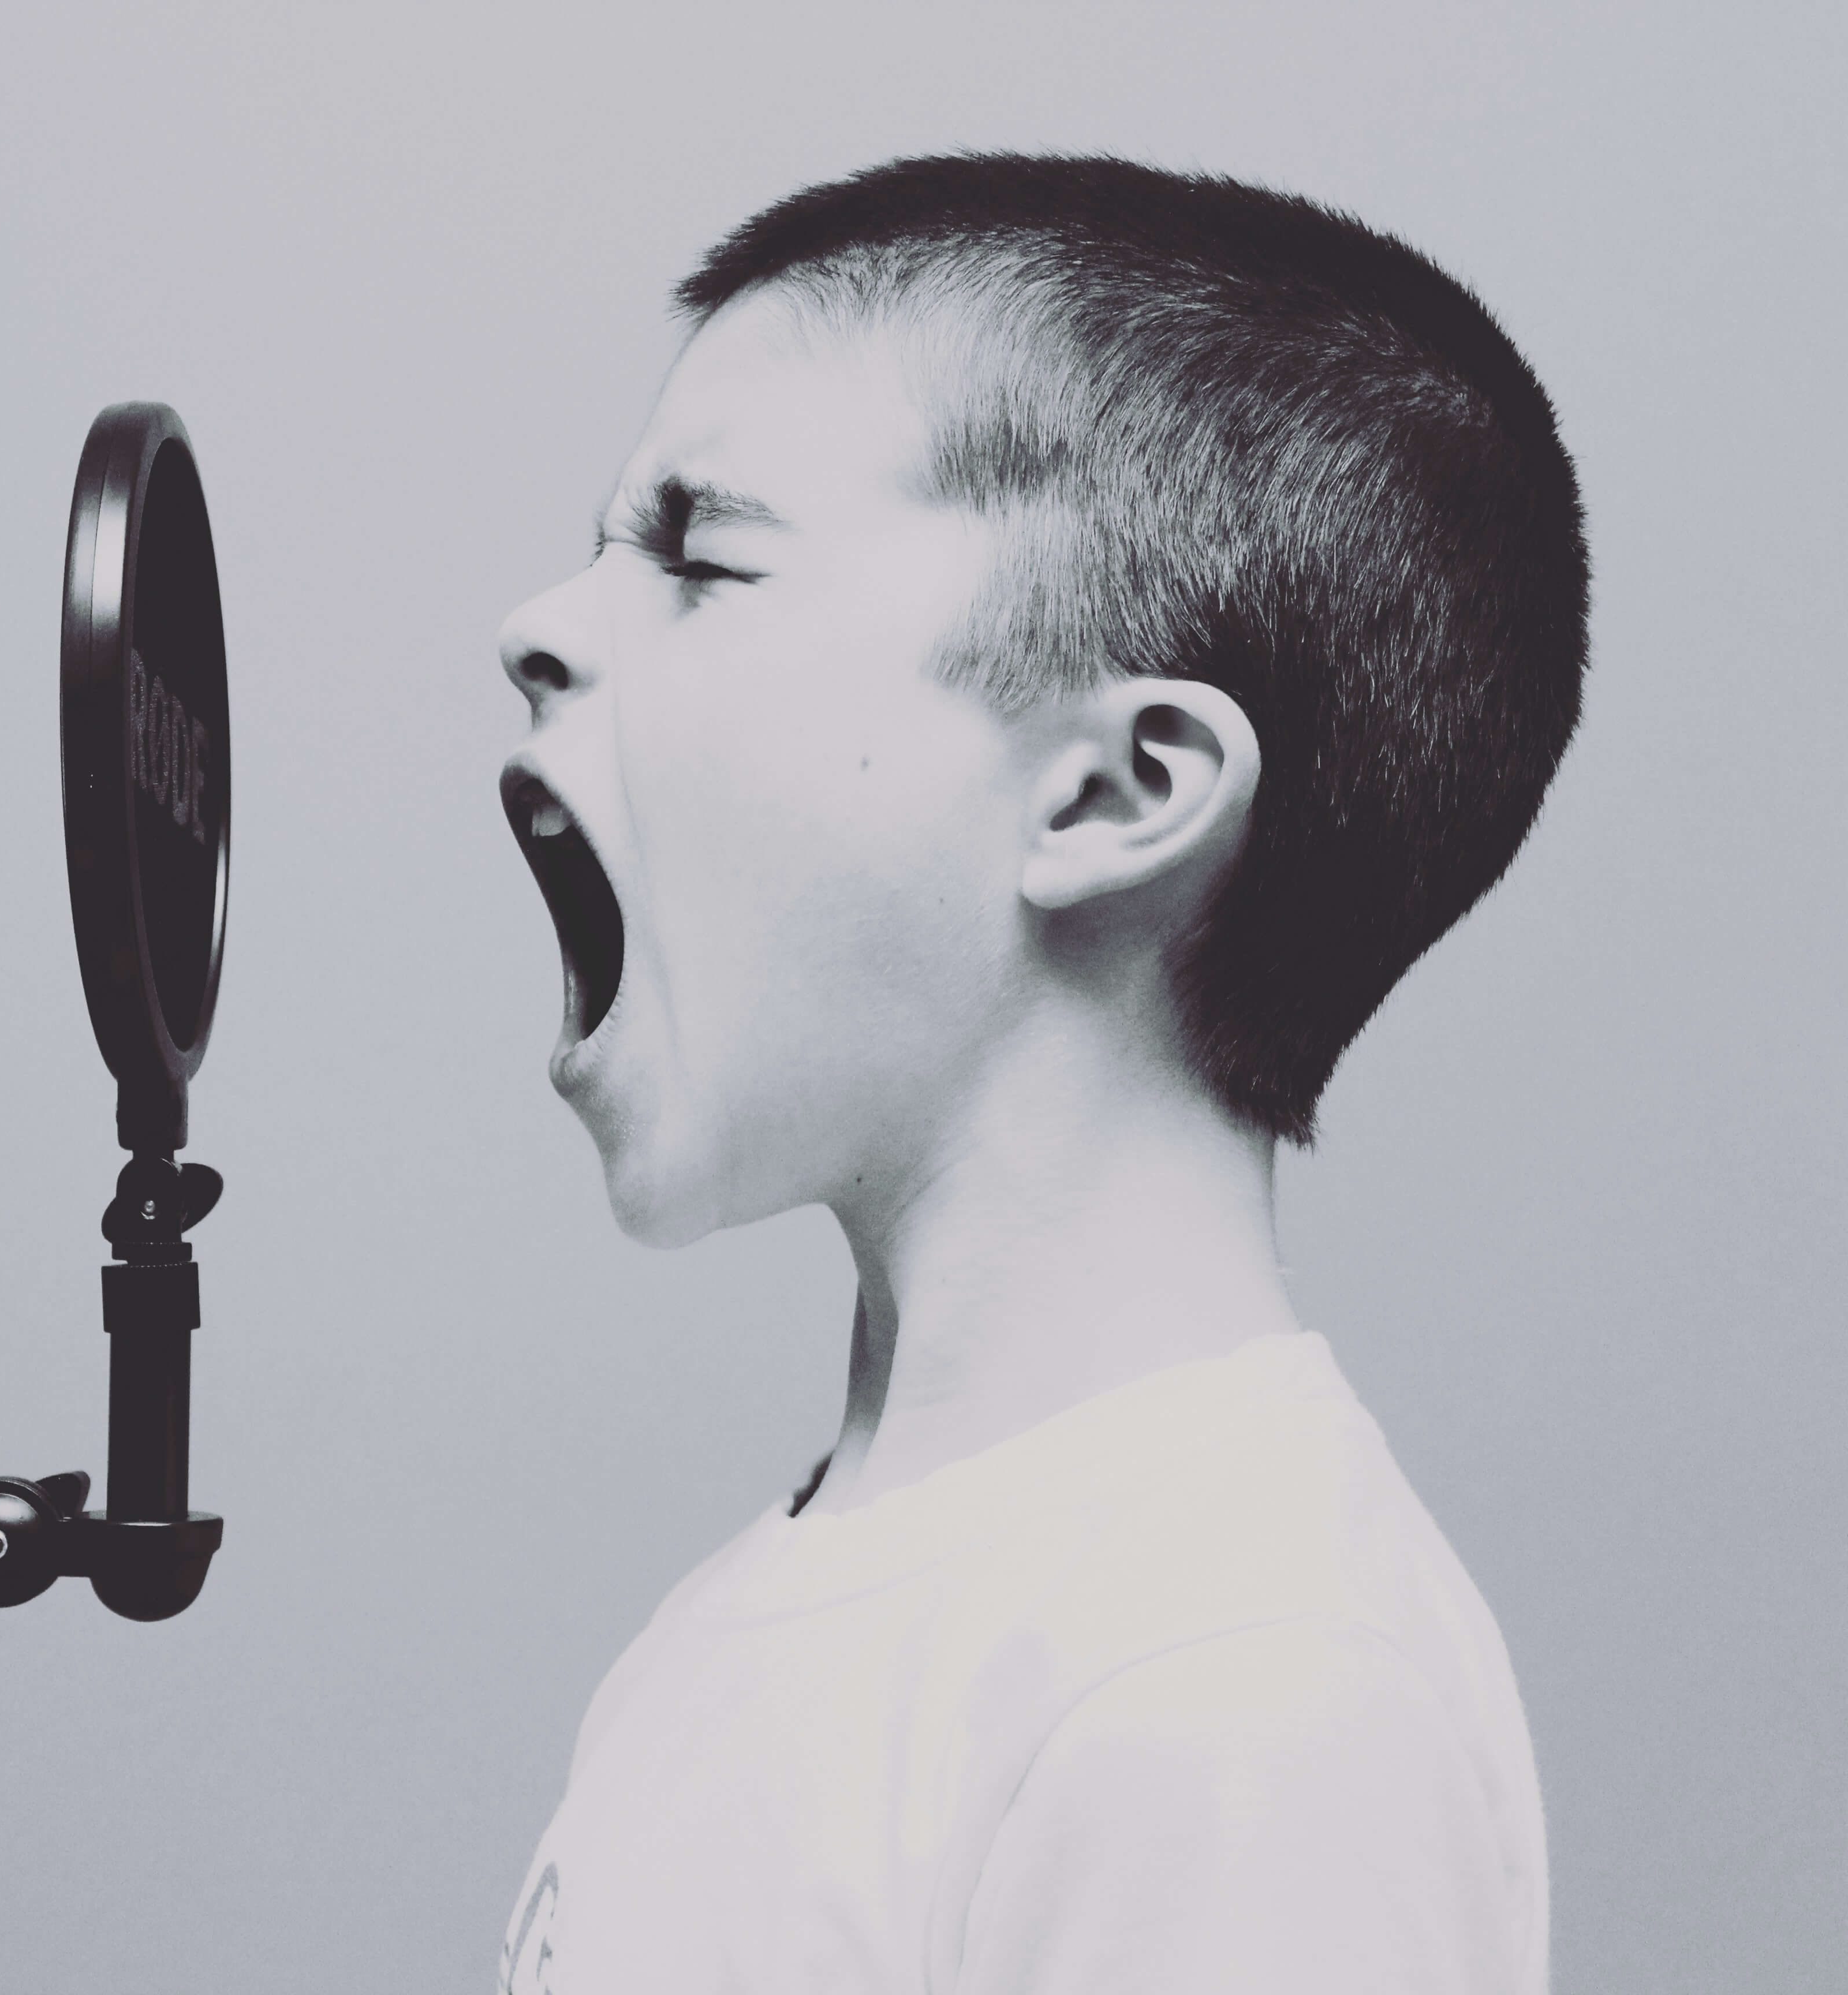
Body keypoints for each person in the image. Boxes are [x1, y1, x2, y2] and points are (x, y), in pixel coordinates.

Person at [494, 154, 1584, 1995]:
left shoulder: (1239, 1693)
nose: (539, 627)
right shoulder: (778, 1613)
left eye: (700, 554)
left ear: (1116, 791)